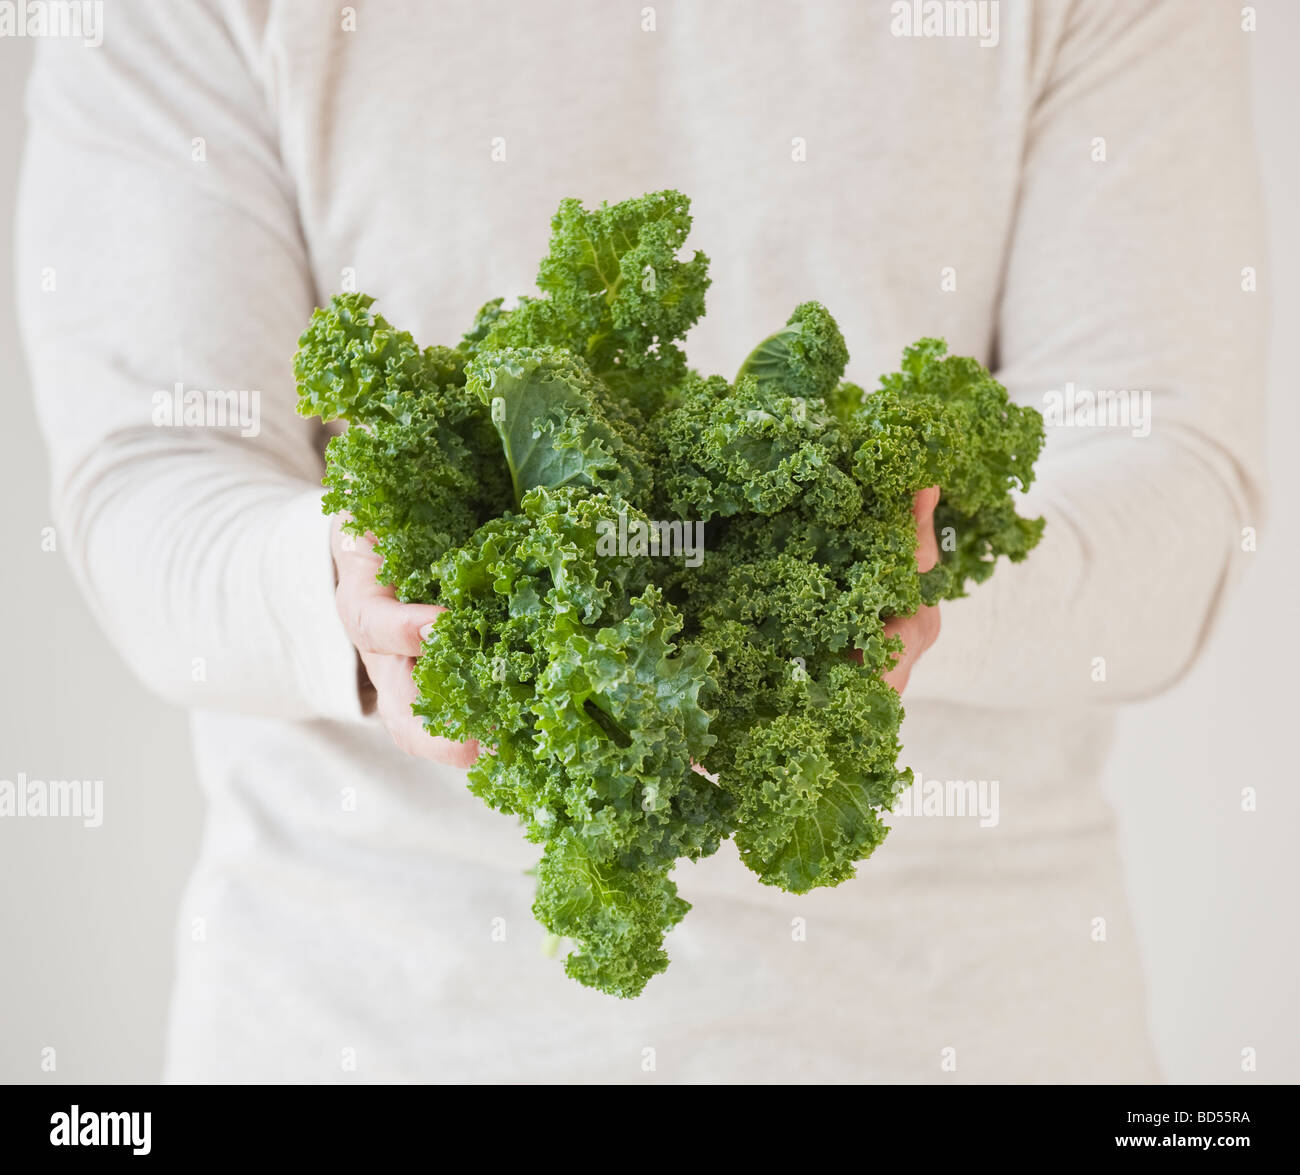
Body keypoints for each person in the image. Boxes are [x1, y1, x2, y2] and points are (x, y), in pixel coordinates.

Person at [18, 0, 1264, 1082]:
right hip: (368, 1026)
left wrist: (891, 576)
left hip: (960, 1027)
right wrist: (347, 593)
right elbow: (152, 480)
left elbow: (1171, 488)